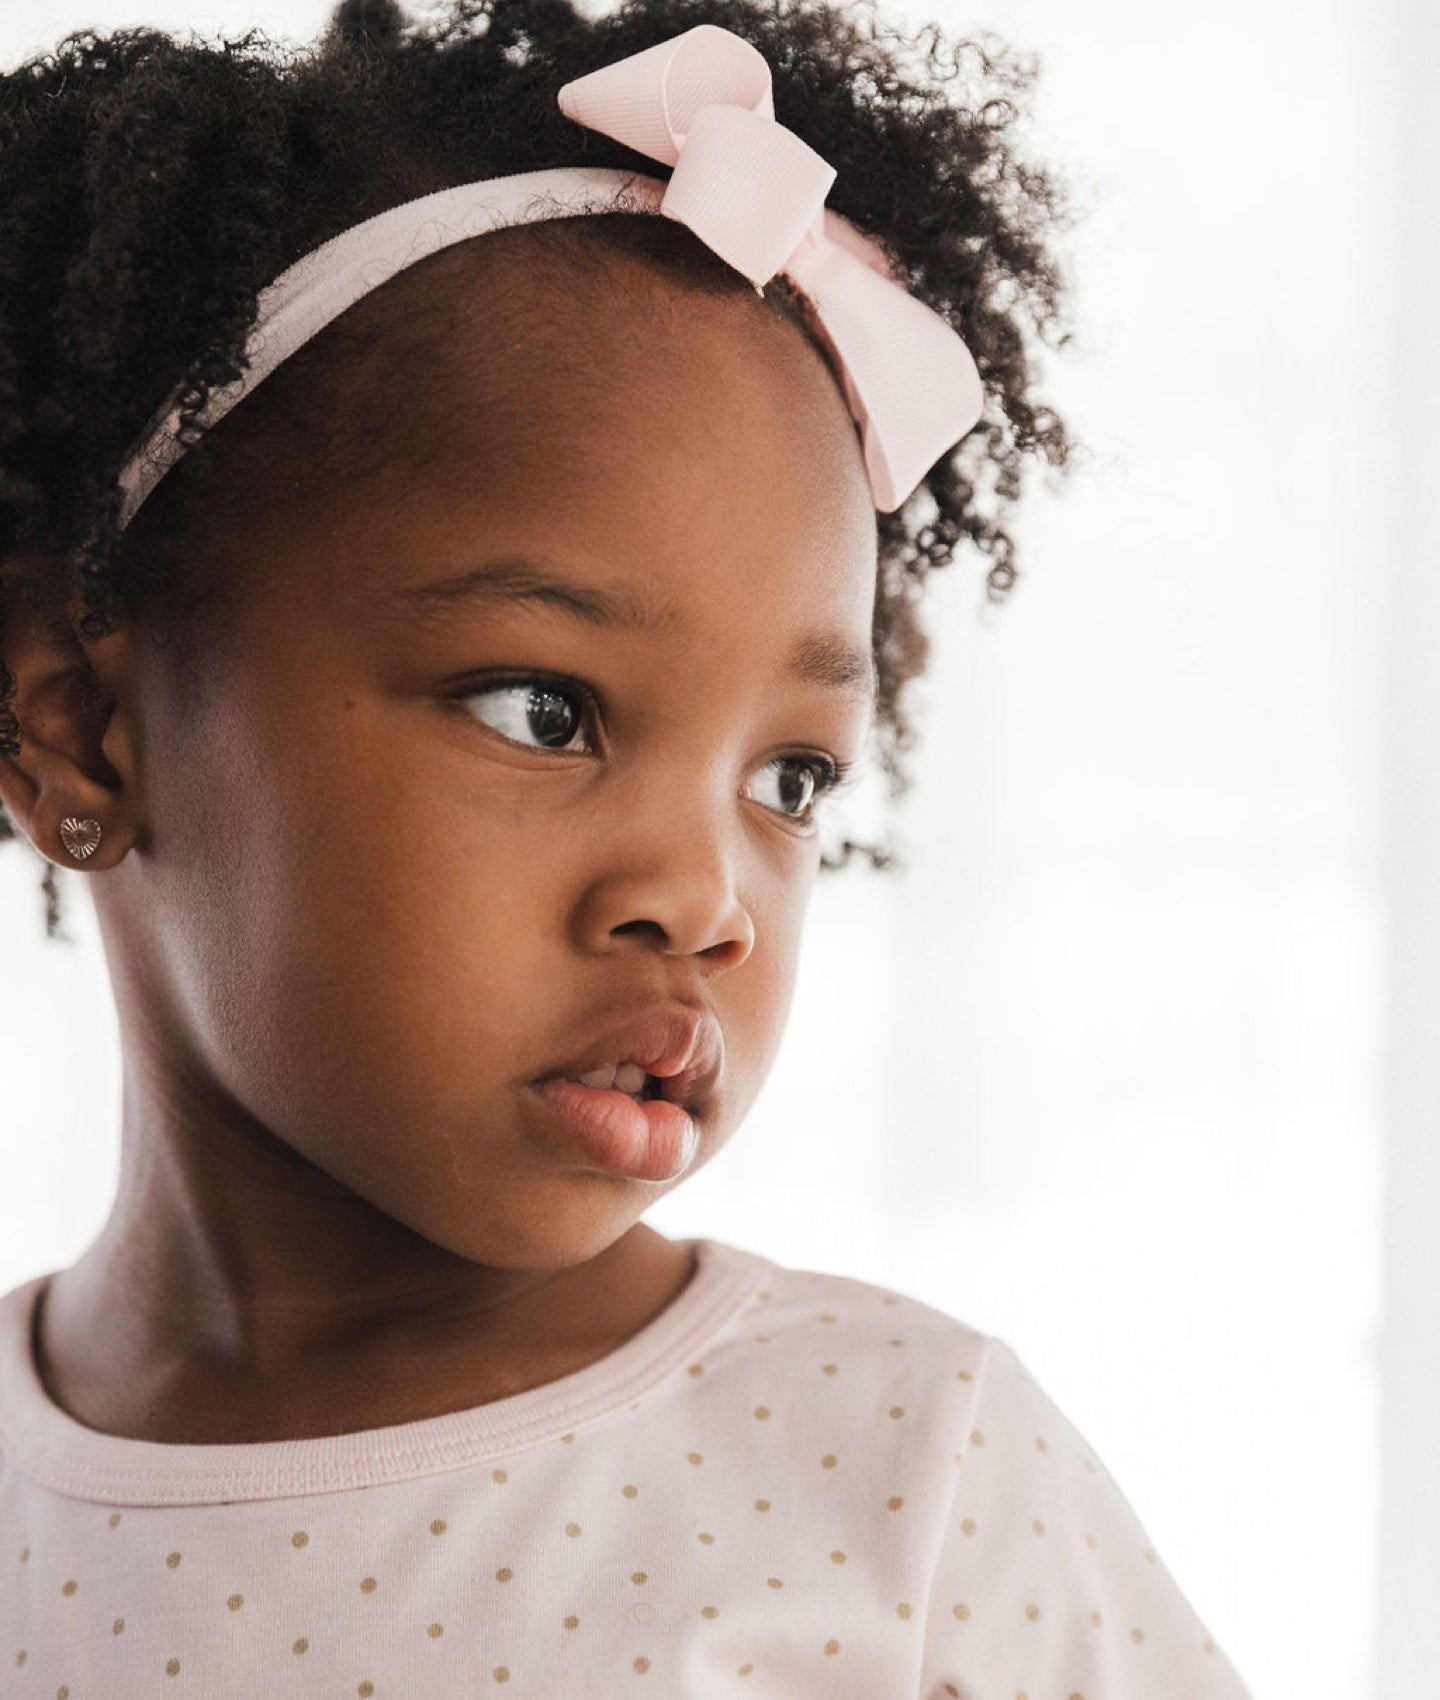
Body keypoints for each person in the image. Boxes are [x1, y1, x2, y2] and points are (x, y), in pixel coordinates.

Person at [0, 0, 1255, 1693]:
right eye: (543, 710)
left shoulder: (906, 1475)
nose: (705, 902)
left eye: (794, 778)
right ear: (80, 728)